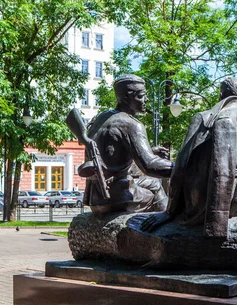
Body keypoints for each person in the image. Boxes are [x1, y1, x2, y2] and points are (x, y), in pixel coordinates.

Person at [142, 77, 237, 240]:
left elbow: (182, 165)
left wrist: (169, 212)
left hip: (205, 204)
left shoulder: (203, 117)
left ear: (220, 95)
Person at [68, 74, 174, 215]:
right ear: (126, 97)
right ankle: (164, 229)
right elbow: (150, 165)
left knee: (153, 183)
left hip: (94, 197)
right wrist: (183, 167)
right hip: (114, 198)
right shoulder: (131, 124)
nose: (146, 99)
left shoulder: (102, 118)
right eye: (141, 96)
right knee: (156, 192)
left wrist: (150, 150)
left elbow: (111, 158)